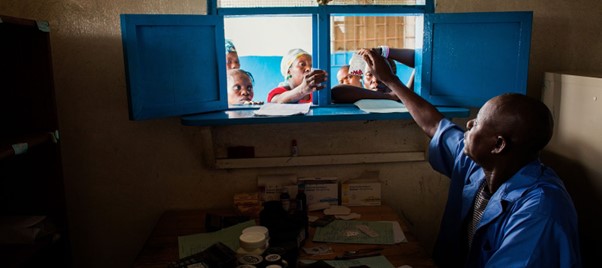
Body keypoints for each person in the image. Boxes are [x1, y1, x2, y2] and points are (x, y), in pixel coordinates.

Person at [357, 48, 582, 267]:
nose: (468, 124)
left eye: (477, 123)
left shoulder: (541, 209)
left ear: (498, 145)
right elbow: (435, 124)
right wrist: (390, 81)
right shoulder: (479, 165)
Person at [331, 46, 415, 103]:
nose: (375, 80)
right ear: (362, 78)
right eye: (369, 75)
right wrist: (390, 96)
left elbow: (422, 59)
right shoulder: (357, 97)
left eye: (381, 74)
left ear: (393, 74)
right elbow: (335, 92)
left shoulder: (405, 97)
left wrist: (382, 50)